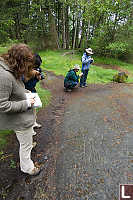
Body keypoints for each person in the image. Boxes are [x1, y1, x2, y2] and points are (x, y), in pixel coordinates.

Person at [0, 44, 41, 176]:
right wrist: (27, 102)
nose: (27, 70)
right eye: (27, 65)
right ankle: (27, 167)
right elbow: (3, 105)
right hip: (19, 119)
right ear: (20, 62)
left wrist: (25, 91)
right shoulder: (4, 76)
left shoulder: (11, 69)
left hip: (21, 115)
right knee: (25, 145)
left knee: (26, 141)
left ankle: (27, 143)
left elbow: (14, 88)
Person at [22, 53, 44, 129]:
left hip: (32, 90)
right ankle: (27, 127)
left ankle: (34, 123)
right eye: (34, 67)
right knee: (26, 110)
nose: (36, 68)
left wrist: (39, 76)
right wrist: (31, 74)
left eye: (38, 66)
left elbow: (41, 76)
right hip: (24, 92)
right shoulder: (23, 69)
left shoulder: (38, 68)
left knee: (34, 108)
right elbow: (23, 80)